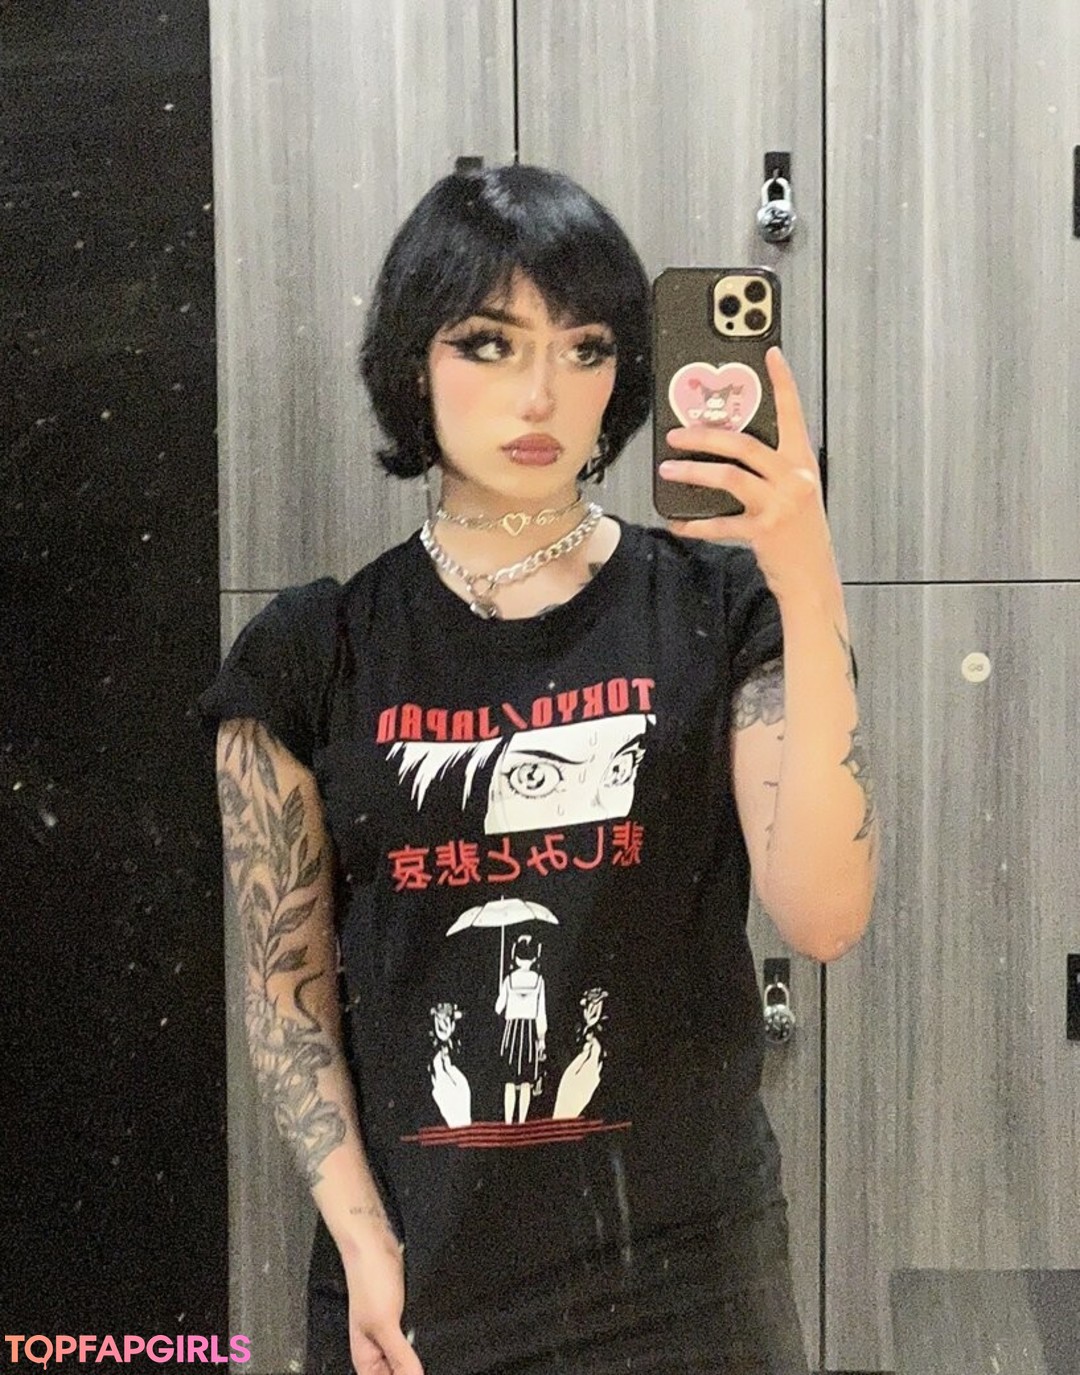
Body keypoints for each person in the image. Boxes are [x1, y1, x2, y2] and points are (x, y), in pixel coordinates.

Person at [201, 164, 878, 1375]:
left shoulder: (723, 611)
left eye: (584, 348)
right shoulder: (309, 654)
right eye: (489, 342)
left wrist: (806, 573)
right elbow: (284, 997)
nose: (540, 393)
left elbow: (823, 913)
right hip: (416, 1278)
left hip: (688, 1280)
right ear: (414, 360)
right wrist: (361, 1238)